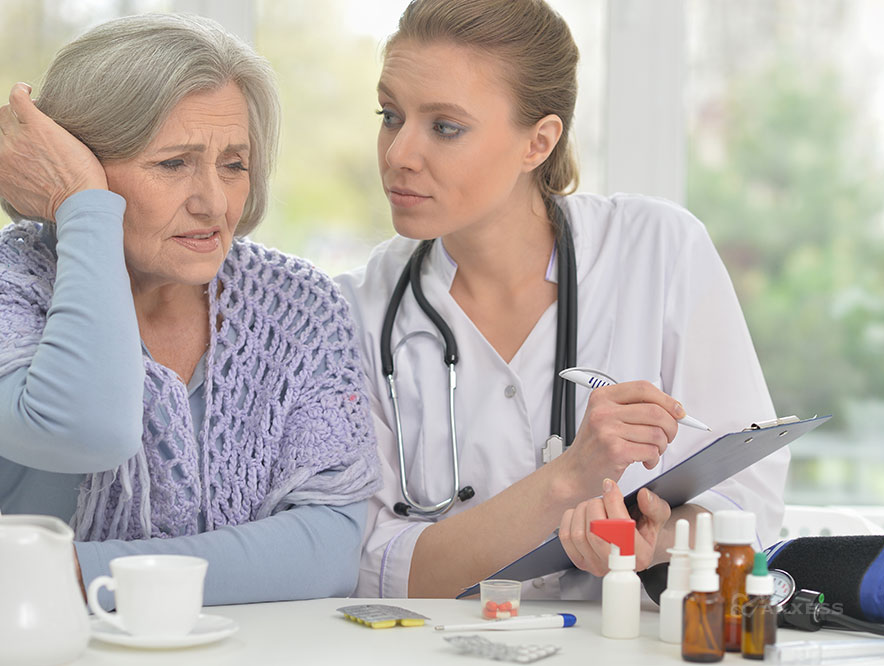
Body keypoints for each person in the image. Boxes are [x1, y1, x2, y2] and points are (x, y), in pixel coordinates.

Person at [0, 13, 380, 604]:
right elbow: (91, 431)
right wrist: (84, 207)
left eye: (233, 164)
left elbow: (327, 549)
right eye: (173, 163)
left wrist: (75, 574)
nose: (213, 201)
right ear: (73, 164)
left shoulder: (298, 305)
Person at [335, 0, 789, 599]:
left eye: (445, 127)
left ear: (538, 142)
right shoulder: (355, 311)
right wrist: (568, 480)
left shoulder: (659, 251)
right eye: (390, 115)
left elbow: (748, 500)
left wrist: (653, 541)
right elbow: (374, 568)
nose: (397, 154)